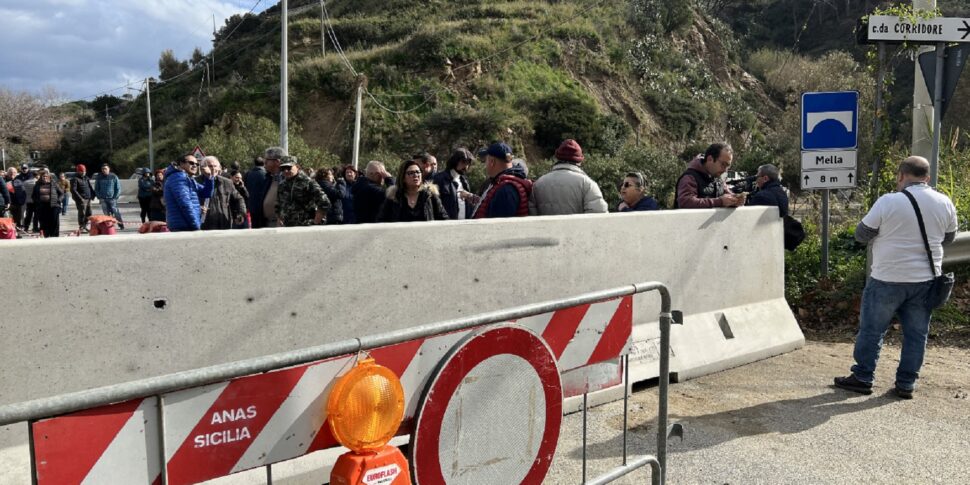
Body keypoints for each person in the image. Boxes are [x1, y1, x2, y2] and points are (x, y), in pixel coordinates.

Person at [834, 156, 958, 400]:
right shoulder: (944, 202)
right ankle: (906, 384)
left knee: (872, 330)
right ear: (927, 178)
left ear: (901, 175)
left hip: (886, 278)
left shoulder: (888, 201)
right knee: (916, 334)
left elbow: (861, 234)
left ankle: (862, 377)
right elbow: (949, 238)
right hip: (924, 281)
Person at [529, 139, 608, 215]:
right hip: (577, 228)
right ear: (579, 161)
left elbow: (532, 214)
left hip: (545, 228)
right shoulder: (587, 184)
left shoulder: (538, 184)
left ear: (557, 158)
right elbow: (599, 215)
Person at [674, 143, 745, 209]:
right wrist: (720, 202)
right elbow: (686, 202)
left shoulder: (718, 178)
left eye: (728, 166)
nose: (725, 170)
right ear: (710, 159)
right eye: (723, 164)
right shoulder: (690, 178)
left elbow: (727, 194)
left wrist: (735, 200)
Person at [473, 142, 532, 218]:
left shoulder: (506, 190)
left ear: (492, 162)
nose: (485, 164)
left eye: (486, 160)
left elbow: (499, 227)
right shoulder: (509, 183)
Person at [378, 159, 448, 223]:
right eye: (411, 173)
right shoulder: (394, 197)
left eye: (418, 172)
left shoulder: (430, 195)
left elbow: (444, 219)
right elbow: (381, 221)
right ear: (403, 178)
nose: (416, 175)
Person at [164, 155, 214, 232]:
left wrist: (209, 177)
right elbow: (185, 205)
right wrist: (196, 226)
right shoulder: (179, 178)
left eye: (197, 164)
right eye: (191, 163)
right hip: (183, 226)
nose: (195, 166)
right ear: (181, 164)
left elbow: (206, 193)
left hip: (185, 224)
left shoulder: (188, 179)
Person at [277, 157, 331, 226]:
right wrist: (279, 218)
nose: (286, 171)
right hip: (288, 227)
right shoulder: (282, 185)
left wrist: (316, 221)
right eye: (283, 169)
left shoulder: (307, 182)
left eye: (288, 168)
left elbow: (325, 202)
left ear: (297, 167)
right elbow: (279, 203)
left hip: (305, 226)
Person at [199, 156, 246, 230]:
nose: (213, 169)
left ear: (219, 168)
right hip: (203, 224)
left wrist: (240, 213)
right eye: (210, 166)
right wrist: (197, 208)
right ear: (203, 168)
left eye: (215, 166)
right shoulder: (195, 182)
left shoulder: (227, 182)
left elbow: (238, 199)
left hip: (224, 224)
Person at [432, 148, 475, 220]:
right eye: (463, 162)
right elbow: (436, 206)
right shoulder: (439, 179)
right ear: (455, 161)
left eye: (468, 163)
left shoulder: (464, 180)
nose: (466, 167)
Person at [250, 148, 285, 228]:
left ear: (277, 162)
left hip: (280, 224)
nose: (264, 163)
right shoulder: (268, 178)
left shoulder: (287, 179)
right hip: (267, 223)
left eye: (267, 160)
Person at [31, 169, 64, 237]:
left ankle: (54, 236)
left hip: (54, 205)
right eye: (43, 176)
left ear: (48, 176)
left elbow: (61, 194)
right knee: (44, 222)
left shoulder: (53, 183)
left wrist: (58, 200)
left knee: (54, 221)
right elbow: (33, 196)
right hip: (42, 206)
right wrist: (37, 202)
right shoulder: (37, 184)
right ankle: (46, 235)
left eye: (46, 176)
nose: (45, 177)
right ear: (41, 177)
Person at [94, 163, 124, 230]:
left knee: (116, 212)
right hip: (103, 199)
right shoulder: (99, 177)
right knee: (106, 214)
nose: (104, 170)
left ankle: (120, 224)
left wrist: (115, 197)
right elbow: (96, 188)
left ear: (109, 169)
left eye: (105, 169)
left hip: (112, 199)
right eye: (102, 169)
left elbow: (118, 188)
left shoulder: (113, 176)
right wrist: (99, 197)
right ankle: (109, 227)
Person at [70, 164, 95, 230]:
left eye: (84, 171)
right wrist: (80, 198)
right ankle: (81, 225)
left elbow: (90, 187)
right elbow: (73, 190)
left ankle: (86, 225)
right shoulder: (75, 179)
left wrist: (93, 195)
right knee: (82, 213)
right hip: (81, 199)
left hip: (88, 198)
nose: (83, 172)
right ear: (78, 171)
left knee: (89, 213)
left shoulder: (86, 178)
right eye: (82, 171)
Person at [245, 156, 267, 226]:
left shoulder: (248, 174)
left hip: (252, 205)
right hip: (263, 206)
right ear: (264, 163)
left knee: (254, 226)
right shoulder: (266, 174)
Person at [21, 167, 39, 232]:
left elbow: (22, 191)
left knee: (28, 215)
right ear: (37, 176)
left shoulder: (25, 182)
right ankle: (35, 228)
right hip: (36, 201)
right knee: (36, 215)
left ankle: (26, 227)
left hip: (28, 201)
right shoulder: (37, 182)